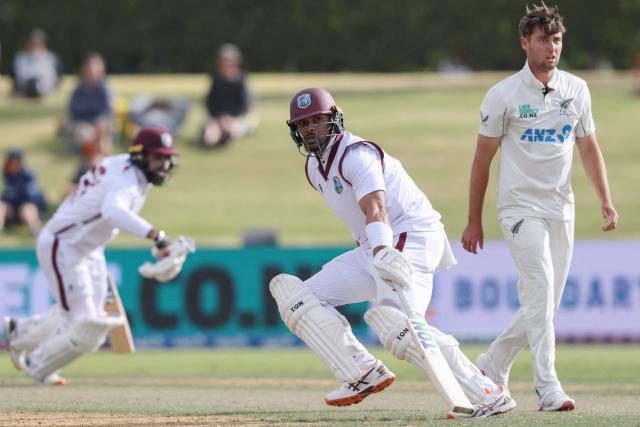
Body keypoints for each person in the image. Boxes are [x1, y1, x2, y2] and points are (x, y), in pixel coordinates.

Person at [269, 88, 515, 419]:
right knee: (297, 298)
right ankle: (361, 369)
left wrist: (384, 252)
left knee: (396, 323)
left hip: (409, 235)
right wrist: (376, 251)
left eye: (317, 121)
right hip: (373, 246)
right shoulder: (314, 169)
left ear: (334, 120)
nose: (310, 129)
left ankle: (486, 392)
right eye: (303, 125)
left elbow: (376, 208)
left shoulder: (356, 153)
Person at [460, 3, 618, 413]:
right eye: (544, 40)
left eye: (557, 39)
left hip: (560, 209)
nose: (552, 47)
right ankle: (547, 388)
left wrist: (605, 199)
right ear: (525, 43)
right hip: (518, 209)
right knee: (541, 291)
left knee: (542, 304)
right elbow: (482, 161)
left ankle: (491, 364)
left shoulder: (576, 90)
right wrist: (474, 220)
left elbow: (588, 147)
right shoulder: (503, 95)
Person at [3, 126, 186, 385]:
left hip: (89, 248)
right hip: (64, 244)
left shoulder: (130, 171)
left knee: (93, 323)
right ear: (140, 155)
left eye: (167, 158)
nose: (164, 165)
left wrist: (159, 245)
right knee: (86, 326)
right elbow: (113, 211)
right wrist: (157, 236)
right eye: (158, 157)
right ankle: (38, 363)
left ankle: (19, 331)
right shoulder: (128, 178)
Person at [201, 43, 253, 148]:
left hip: (234, 119)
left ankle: (234, 133)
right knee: (210, 138)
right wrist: (219, 117)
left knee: (233, 129)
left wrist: (229, 118)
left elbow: (244, 106)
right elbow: (210, 103)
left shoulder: (240, 81)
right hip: (218, 118)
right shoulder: (216, 80)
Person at [65, 52, 114, 156]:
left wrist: (100, 123)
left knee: (102, 131)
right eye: (90, 68)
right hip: (82, 124)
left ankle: (99, 148)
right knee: (84, 134)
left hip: (101, 125)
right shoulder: (78, 90)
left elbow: (108, 111)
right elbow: (74, 112)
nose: (92, 72)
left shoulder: (105, 89)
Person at [0, 149, 47, 236]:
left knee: (27, 208)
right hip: (11, 207)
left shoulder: (28, 176)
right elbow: (6, 195)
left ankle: (34, 230)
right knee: (1, 206)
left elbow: (33, 197)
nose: (13, 164)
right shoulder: (7, 174)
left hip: (25, 206)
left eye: (15, 161)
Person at [12, 28, 61, 98]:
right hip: (24, 90)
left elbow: (55, 79)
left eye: (38, 44)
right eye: (33, 43)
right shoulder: (20, 57)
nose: (35, 46)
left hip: (46, 91)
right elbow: (17, 78)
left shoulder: (50, 57)